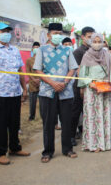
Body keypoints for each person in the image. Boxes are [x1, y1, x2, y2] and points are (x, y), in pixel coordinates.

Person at [0, 22, 30, 165]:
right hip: (0, 94)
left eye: (8, 31)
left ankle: (15, 148)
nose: (6, 33)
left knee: (15, 123)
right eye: (3, 31)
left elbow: (20, 71)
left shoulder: (15, 50)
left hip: (15, 93)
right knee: (0, 126)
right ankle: (1, 153)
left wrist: (24, 89)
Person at [33, 23, 78, 163]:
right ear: (48, 35)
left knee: (67, 121)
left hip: (65, 91)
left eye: (59, 33)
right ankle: (47, 151)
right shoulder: (41, 50)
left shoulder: (67, 50)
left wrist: (64, 82)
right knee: (48, 123)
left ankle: (67, 149)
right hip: (47, 92)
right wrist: (52, 83)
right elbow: (37, 70)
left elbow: (73, 69)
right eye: (54, 33)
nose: (57, 36)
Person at [77, 33, 111, 152]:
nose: (97, 44)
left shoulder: (108, 55)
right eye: (94, 41)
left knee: (105, 115)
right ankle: (94, 144)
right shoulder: (86, 56)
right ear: (91, 42)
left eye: (99, 41)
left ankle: (106, 142)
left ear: (102, 41)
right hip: (92, 91)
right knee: (93, 117)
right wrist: (89, 82)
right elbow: (82, 74)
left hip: (106, 90)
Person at [71, 27, 95, 146]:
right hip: (80, 86)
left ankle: (88, 133)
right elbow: (78, 71)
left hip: (92, 85)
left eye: (93, 36)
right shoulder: (78, 52)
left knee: (89, 111)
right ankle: (71, 135)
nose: (91, 39)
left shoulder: (94, 50)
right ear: (83, 37)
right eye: (89, 37)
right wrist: (81, 87)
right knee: (76, 111)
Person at [26, 42, 40, 121]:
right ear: (32, 49)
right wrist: (34, 79)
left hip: (42, 82)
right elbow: (28, 71)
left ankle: (43, 116)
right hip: (32, 83)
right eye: (35, 47)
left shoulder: (42, 59)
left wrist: (40, 80)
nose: (36, 49)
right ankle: (32, 116)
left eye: (38, 47)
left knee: (43, 102)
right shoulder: (29, 60)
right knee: (32, 102)